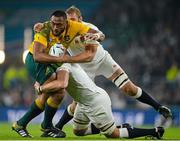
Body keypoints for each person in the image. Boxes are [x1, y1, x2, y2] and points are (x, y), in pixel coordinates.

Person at [34, 6, 172, 130]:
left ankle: (158, 107)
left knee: (129, 88)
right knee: (78, 102)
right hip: (83, 68)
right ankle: (58, 126)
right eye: (69, 20)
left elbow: (99, 38)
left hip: (102, 60)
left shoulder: (86, 27)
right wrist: (40, 26)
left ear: (81, 19)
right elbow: (50, 31)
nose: (71, 23)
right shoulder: (63, 31)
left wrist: (97, 36)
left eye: (74, 20)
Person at [34, 47, 165, 139]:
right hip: (84, 102)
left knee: (113, 134)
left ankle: (154, 132)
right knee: (78, 131)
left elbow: (61, 84)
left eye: (51, 58)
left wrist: (41, 88)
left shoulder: (64, 66)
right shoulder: (68, 63)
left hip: (95, 101)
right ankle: (122, 126)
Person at [12, 10, 103, 138]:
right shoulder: (44, 29)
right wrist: (61, 59)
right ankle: (45, 125)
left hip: (54, 59)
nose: (55, 27)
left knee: (58, 91)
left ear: (66, 23)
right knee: (59, 91)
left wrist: (98, 36)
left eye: (59, 24)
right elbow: (38, 56)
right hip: (36, 61)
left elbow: (97, 33)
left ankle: (22, 124)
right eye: (53, 23)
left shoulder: (74, 26)